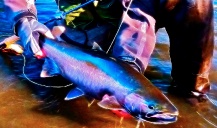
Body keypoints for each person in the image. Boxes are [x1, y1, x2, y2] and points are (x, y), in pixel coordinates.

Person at [3, 0, 214, 103]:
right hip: (92, 18)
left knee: (194, 3)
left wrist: (129, 65)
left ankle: (190, 92)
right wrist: (23, 18)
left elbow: (139, 11)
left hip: (152, 5)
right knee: (56, 76)